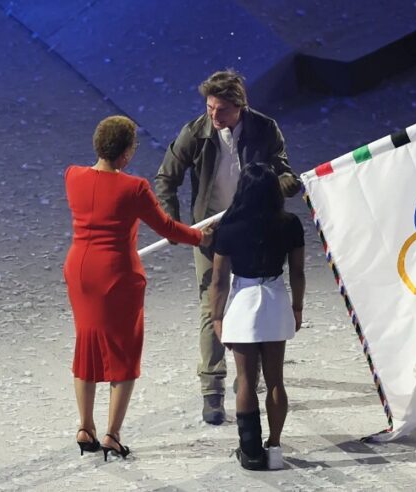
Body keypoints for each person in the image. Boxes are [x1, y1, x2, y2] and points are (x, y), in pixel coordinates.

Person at [155, 69, 301, 425]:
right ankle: (212, 387)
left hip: (254, 228)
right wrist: (179, 228)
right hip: (210, 231)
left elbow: (284, 174)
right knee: (213, 304)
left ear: (239, 107)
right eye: (209, 107)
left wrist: (275, 188)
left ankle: (251, 376)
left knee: (256, 301)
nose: (213, 116)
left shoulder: (265, 129)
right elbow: (165, 179)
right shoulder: (196, 132)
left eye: (220, 110)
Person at [64, 115, 212, 461]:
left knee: (86, 345)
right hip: (116, 277)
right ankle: (112, 434)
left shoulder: (72, 176)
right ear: (127, 153)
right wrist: (198, 236)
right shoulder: (134, 187)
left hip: (79, 271)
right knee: (124, 354)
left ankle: (85, 426)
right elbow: (166, 228)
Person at [209, 163, 305, 470]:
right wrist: (297, 307)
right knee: (276, 380)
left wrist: (216, 317)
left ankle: (250, 451)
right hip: (275, 299)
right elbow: (298, 271)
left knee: (247, 380)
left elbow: (219, 280)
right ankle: (274, 449)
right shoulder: (290, 223)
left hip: (244, 301)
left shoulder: (229, 225)